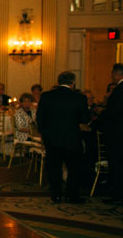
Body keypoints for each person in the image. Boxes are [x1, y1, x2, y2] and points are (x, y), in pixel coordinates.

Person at [37, 71, 90, 204]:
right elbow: (85, 118)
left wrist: (44, 134)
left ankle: (56, 195)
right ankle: (72, 196)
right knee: (74, 168)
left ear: (58, 81)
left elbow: (39, 118)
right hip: (72, 138)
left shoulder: (46, 96)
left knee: (54, 168)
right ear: (73, 83)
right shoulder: (79, 98)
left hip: (52, 139)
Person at [98, 63, 123, 205]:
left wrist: (101, 114)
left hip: (117, 134)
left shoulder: (119, 90)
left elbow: (114, 111)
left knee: (117, 164)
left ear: (117, 74)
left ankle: (118, 195)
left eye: (112, 74)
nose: (111, 77)